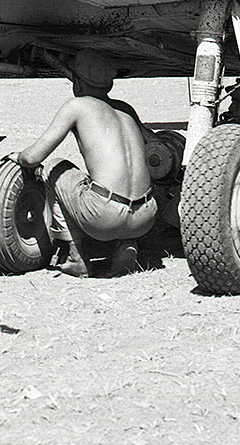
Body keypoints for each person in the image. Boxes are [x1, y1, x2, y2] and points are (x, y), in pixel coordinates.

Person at [16, 50, 156, 276]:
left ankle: (75, 256)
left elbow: (33, 158)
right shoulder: (126, 110)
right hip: (146, 215)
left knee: (54, 167)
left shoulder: (78, 106)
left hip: (105, 216)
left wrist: (19, 156)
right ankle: (127, 245)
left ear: (78, 82)